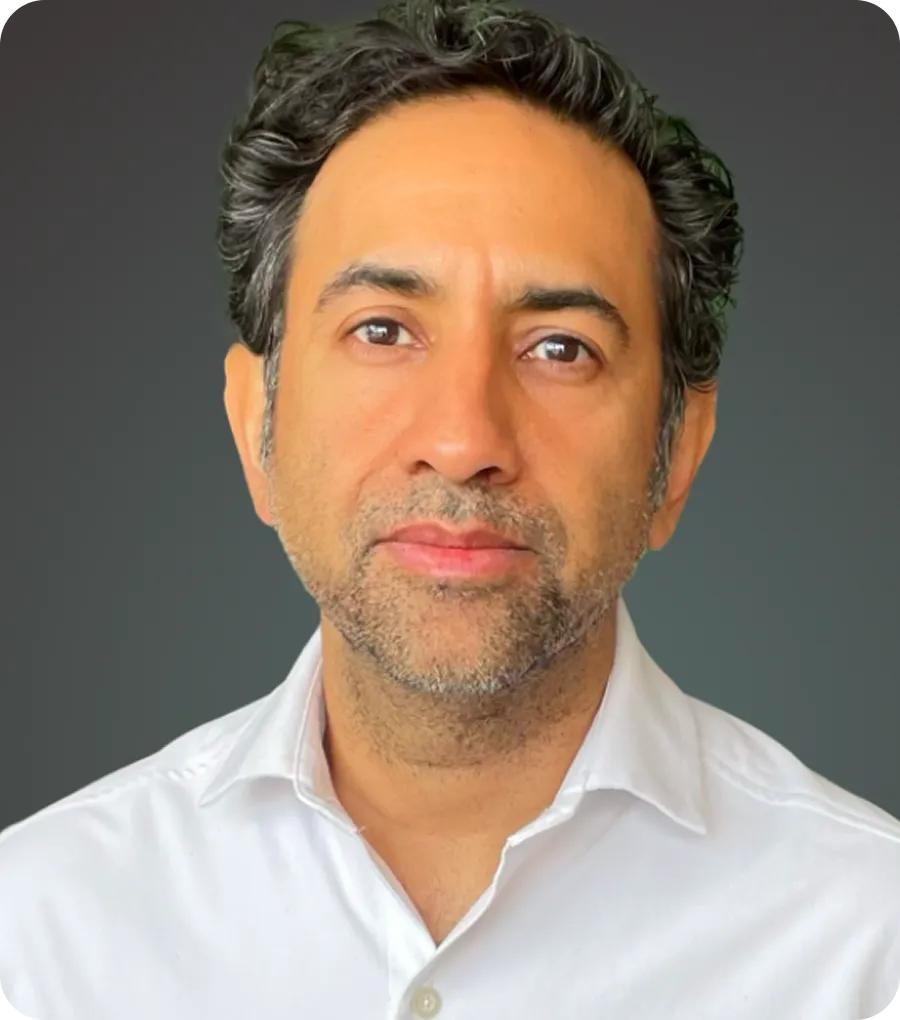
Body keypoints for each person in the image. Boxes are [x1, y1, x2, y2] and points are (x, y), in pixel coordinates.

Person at [2, 0, 898, 1015]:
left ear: (677, 454)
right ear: (257, 425)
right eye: (384, 331)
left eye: (560, 347)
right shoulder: (37, 937)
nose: (466, 440)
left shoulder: (870, 945)